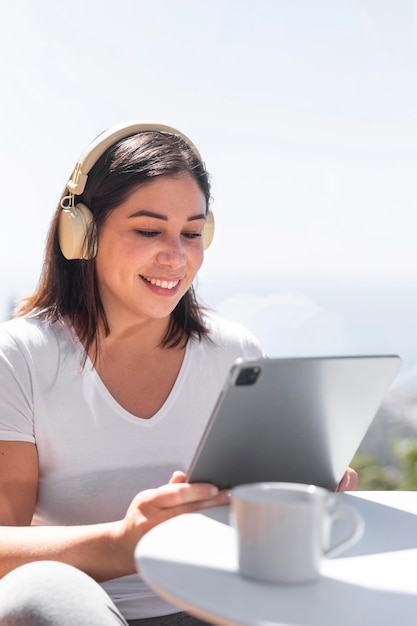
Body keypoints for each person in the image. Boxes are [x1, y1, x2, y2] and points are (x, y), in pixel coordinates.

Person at [0, 121, 357, 626]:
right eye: (148, 230)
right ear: (81, 233)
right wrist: (121, 544)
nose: (177, 256)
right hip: (89, 613)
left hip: (225, 609)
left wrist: (300, 495)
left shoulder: (234, 353)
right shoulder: (18, 358)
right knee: (36, 591)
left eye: (192, 233)